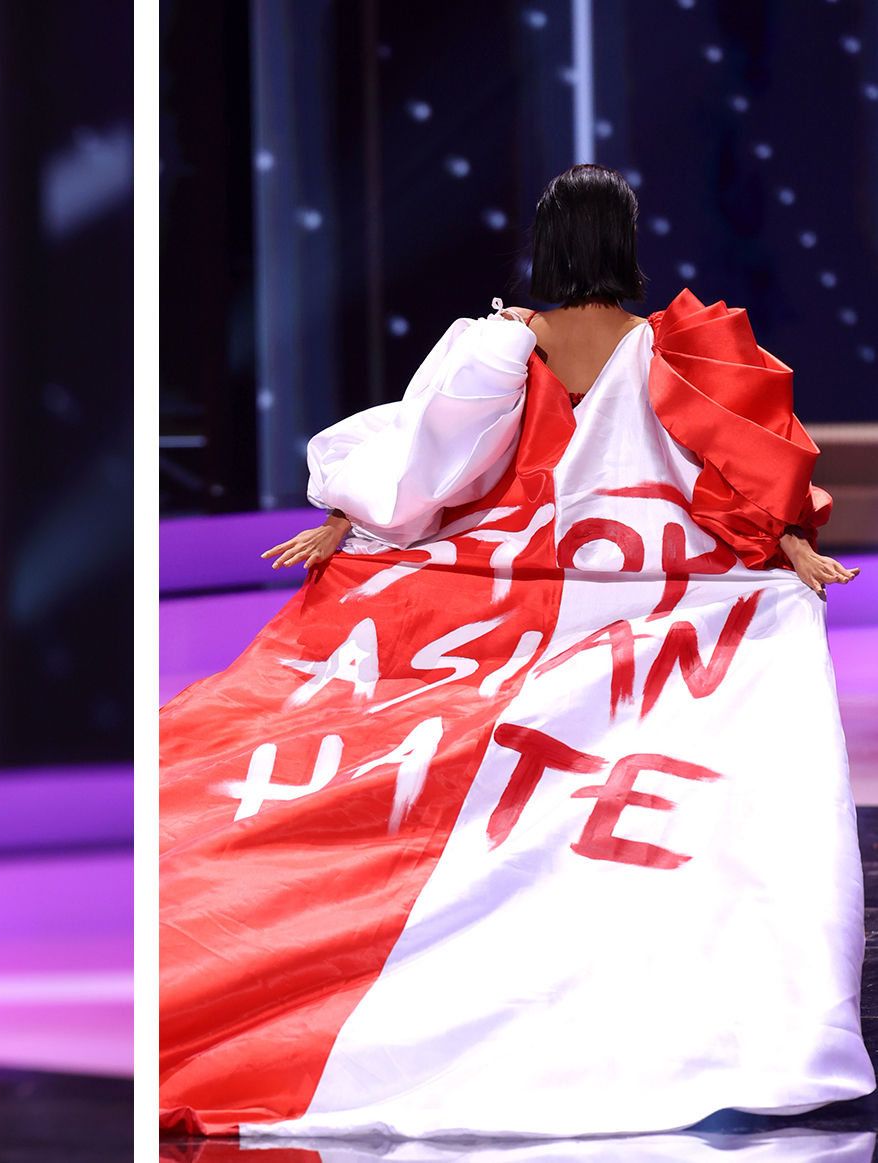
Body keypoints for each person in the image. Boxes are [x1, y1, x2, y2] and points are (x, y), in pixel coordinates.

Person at [160, 166, 873, 1139]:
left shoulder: (497, 345)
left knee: (508, 759)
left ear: (547, 244)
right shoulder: (679, 348)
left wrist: (343, 519)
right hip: (642, 588)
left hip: (513, 584)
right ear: (620, 245)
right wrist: (791, 551)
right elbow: (746, 469)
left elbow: (421, 469)